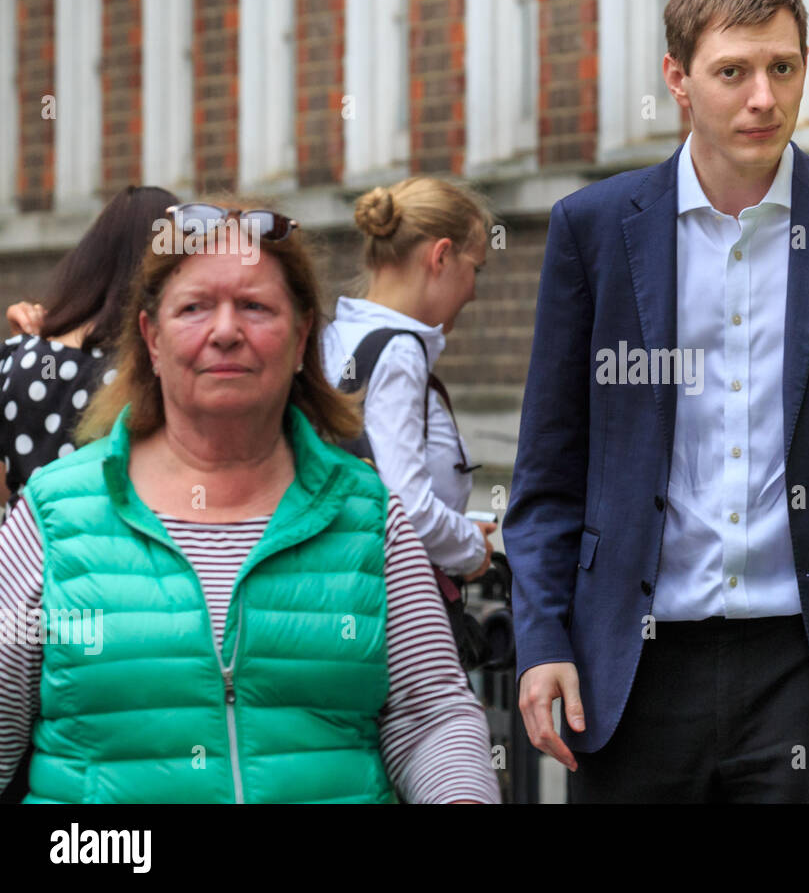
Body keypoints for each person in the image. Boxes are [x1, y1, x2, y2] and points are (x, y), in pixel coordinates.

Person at [504, 0, 809, 803]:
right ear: (678, 80)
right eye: (733, 72)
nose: (763, 96)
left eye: (783, 68)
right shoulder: (595, 230)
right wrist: (542, 638)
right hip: (635, 669)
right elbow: (549, 472)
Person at [0, 201, 500, 803]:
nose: (227, 330)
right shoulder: (56, 516)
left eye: (256, 306)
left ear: (300, 340)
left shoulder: (366, 515)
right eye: (195, 307)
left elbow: (431, 719)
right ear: (152, 341)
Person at [321, 178, 496, 586]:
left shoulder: (332, 337)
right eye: (476, 268)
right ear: (441, 257)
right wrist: (472, 547)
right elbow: (407, 508)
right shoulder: (400, 353)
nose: (473, 291)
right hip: (391, 606)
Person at [2, 185, 180, 513]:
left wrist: (25, 353)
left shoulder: (20, 357)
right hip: (111, 554)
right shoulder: (155, 370)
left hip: (23, 551)